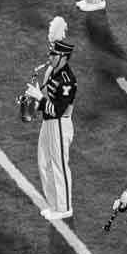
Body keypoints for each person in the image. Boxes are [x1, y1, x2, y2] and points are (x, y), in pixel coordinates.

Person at [31, 17, 78, 218]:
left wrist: (39, 100)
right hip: (49, 122)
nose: (49, 56)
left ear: (63, 57)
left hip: (59, 123)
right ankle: (54, 204)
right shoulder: (51, 71)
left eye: (54, 54)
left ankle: (64, 207)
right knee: (44, 162)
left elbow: (57, 109)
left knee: (58, 165)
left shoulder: (67, 80)